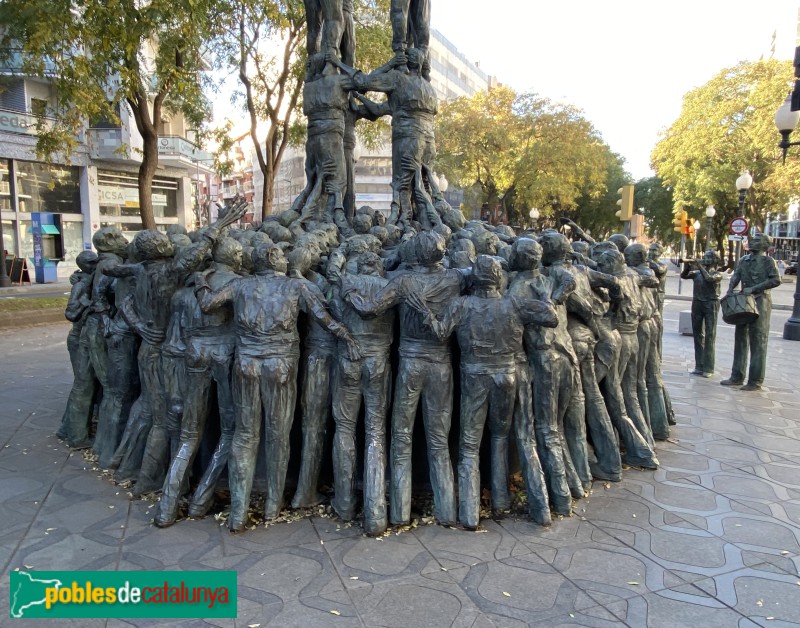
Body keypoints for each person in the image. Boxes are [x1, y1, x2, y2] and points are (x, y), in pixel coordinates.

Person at [195, 243, 360, 532]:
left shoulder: (240, 285)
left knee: (245, 436)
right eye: (282, 255)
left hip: (246, 365)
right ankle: (272, 505)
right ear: (272, 257)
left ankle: (238, 511)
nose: (286, 258)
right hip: (281, 367)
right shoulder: (295, 286)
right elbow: (323, 317)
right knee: (278, 435)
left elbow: (207, 304)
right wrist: (346, 335)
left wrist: (200, 282)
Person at [407, 255, 558, 529]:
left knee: (469, 446)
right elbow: (551, 317)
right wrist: (546, 297)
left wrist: (424, 311)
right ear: (498, 278)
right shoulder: (513, 303)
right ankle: (501, 500)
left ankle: (469, 514)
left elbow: (440, 333)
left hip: (475, 377)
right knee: (500, 436)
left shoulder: (461, 304)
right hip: (506, 376)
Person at [330, 252, 395, 535]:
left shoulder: (346, 282)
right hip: (378, 362)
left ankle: (344, 504)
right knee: (375, 433)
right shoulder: (392, 285)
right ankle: (375, 511)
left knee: (344, 429)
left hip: (349, 360)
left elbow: (333, 314)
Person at [721, 232, 780, 391]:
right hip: (744, 301)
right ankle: (737, 376)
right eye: (752, 239)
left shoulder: (768, 261)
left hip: (761, 301)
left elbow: (776, 280)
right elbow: (736, 276)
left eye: (757, 240)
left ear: (764, 245)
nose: (752, 241)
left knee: (758, 341)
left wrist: (754, 288)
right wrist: (730, 289)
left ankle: (755, 380)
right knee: (740, 338)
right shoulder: (743, 260)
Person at [681, 250, 722, 378]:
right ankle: (699, 366)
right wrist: (688, 266)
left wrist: (699, 266)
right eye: (704, 256)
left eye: (708, 257)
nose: (704, 258)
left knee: (710, 335)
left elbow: (709, 279)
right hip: (697, 303)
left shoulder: (717, 274)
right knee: (698, 335)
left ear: (715, 261)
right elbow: (684, 276)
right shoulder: (697, 273)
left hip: (711, 304)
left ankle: (708, 367)